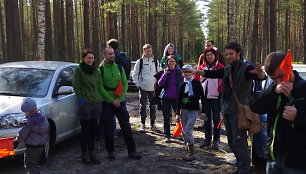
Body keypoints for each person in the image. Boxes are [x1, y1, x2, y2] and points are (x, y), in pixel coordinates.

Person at [187, 42, 266, 174]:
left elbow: (259, 77)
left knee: (239, 141)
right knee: (231, 142)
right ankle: (241, 166)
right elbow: (212, 74)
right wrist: (196, 71)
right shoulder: (228, 68)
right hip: (227, 109)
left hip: (239, 111)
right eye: (227, 54)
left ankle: (244, 169)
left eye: (231, 54)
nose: (229, 56)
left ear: (238, 53)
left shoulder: (247, 68)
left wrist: (260, 75)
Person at [250, 51, 306, 174]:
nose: (278, 81)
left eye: (281, 76)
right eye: (273, 79)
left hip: (297, 163)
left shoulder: (303, 88)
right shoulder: (274, 88)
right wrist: (274, 90)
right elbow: (255, 106)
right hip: (273, 159)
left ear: (290, 67)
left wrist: (298, 116)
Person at [99, 47, 142, 160]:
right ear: (104, 55)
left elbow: (125, 84)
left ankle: (132, 151)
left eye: (113, 53)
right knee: (108, 129)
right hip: (107, 103)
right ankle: (111, 152)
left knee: (126, 127)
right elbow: (100, 88)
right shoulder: (100, 70)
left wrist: (119, 99)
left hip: (120, 101)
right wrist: (111, 100)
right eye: (109, 54)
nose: (112, 56)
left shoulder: (119, 68)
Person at [73, 49, 102, 165]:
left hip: (96, 103)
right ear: (84, 58)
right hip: (85, 104)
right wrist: (81, 100)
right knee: (85, 130)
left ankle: (92, 153)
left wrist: (101, 98)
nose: (90, 60)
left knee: (93, 130)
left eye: (92, 58)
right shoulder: (79, 69)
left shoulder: (97, 70)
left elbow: (100, 85)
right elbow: (76, 85)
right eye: (88, 58)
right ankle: (84, 155)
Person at [195, 48, 224, 150]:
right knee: (206, 120)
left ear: (215, 56)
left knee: (216, 119)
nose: (209, 57)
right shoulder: (201, 67)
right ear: (204, 56)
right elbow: (196, 81)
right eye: (207, 55)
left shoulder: (220, 67)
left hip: (216, 97)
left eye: (211, 55)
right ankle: (207, 140)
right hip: (205, 98)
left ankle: (216, 141)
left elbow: (224, 83)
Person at [175, 64, 205, 161]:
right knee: (184, 131)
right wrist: (177, 113)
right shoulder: (182, 85)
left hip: (194, 111)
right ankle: (187, 147)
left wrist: (203, 111)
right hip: (183, 110)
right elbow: (179, 99)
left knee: (187, 130)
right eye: (184, 72)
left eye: (188, 71)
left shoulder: (197, 83)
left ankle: (192, 152)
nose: (186, 74)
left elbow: (203, 98)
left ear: (192, 72)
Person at [106, 39, 131, 139]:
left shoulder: (112, 57)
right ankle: (125, 130)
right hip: (122, 86)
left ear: (111, 46)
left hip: (112, 87)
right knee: (122, 109)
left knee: (111, 111)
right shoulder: (125, 56)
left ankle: (113, 132)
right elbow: (128, 70)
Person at [132, 44, 160, 132]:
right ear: (143, 51)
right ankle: (143, 124)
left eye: (150, 51)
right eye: (147, 51)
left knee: (153, 106)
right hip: (143, 87)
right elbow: (135, 75)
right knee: (143, 106)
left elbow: (159, 74)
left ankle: (152, 125)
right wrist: (138, 85)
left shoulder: (156, 61)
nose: (149, 53)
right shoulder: (139, 61)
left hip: (153, 88)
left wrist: (158, 85)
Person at [17, 97, 49, 174]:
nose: (24, 113)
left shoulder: (28, 122)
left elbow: (22, 134)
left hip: (31, 147)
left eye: (25, 112)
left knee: (30, 165)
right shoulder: (43, 118)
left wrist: (18, 139)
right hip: (41, 145)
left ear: (27, 111)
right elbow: (47, 128)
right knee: (36, 164)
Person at [158, 55, 183, 142]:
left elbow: (183, 84)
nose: (171, 63)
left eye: (173, 61)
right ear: (167, 63)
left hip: (176, 98)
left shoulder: (179, 72)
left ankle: (179, 133)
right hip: (165, 98)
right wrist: (164, 75)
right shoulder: (165, 72)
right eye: (170, 61)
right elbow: (160, 84)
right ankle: (167, 135)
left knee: (179, 116)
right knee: (166, 117)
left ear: (176, 62)